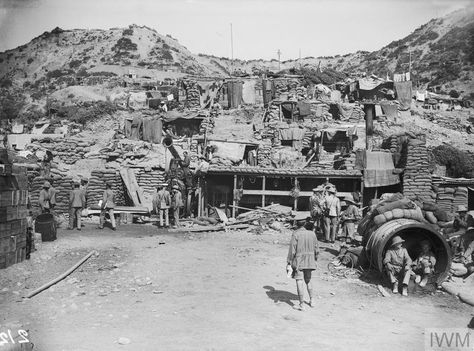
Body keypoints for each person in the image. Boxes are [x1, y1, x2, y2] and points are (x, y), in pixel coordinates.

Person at [287, 219, 320, 311]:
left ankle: (302, 304)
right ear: (305, 224)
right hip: (310, 260)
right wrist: (315, 259)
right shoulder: (312, 234)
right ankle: (312, 300)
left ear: (297, 224)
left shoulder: (296, 234)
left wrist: (289, 262)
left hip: (299, 261)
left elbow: (292, 250)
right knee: (308, 280)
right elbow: (317, 249)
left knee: (299, 281)